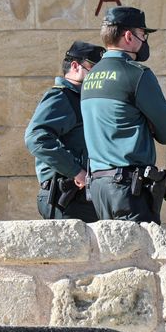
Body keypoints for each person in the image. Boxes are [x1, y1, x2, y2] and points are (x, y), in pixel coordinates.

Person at [82, 6, 166, 223]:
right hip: (129, 189)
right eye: (143, 34)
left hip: (99, 185)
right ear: (128, 36)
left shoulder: (91, 76)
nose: (144, 40)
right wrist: (153, 122)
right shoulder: (137, 74)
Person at [24, 41, 105, 222]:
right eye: (94, 69)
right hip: (66, 196)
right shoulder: (62, 96)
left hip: (84, 195)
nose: (99, 75)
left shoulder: (86, 99)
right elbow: (36, 138)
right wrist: (77, 172)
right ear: (75, 66)